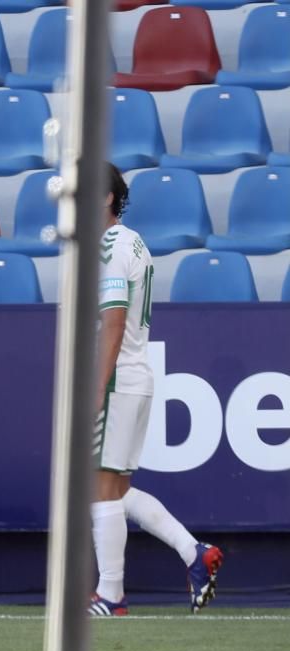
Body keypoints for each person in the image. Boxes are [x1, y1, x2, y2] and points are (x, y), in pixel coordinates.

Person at [88, 162, 223, 616]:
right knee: (117, 489)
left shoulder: (109, 246)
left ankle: (111, 595)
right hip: (135, 374)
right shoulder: (132, 242)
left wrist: (95, 387)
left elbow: (113, 321)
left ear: (107, 198)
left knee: (101, 490)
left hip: (116, 379)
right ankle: (195, 553)